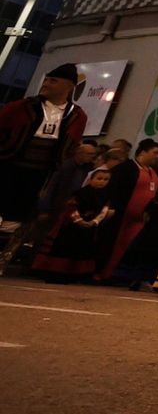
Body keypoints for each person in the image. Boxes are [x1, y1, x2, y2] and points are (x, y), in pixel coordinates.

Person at [0, 65, 88, 227]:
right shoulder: (22, 106)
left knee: (16, 215)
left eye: (53, 81)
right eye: (46, 80)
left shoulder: (77, 115)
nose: (46, 84)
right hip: (8, 167)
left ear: (69, 86)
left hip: (39, 173)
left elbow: (71, 146)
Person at [27, 159, 118, 281]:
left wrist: (94, 221)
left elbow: (104, 209)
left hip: (90, 225)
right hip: (71, 225)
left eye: (106, 180)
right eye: (99, 179)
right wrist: (79, 220)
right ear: (91, 179)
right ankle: (55, 272)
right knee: (64, 248)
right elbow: (71, 207)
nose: (102, 182)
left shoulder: (105, 195)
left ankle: (75, 274)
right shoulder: (81, 192)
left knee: (80, 250)